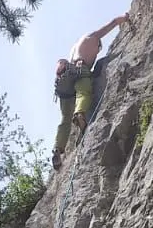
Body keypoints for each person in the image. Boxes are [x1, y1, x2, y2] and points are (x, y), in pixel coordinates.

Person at [52, 13, 130, 170]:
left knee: (65, 118)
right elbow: (112, 23)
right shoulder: (93, 37)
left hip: (63, 82)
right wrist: (125, 18)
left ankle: (57, 149)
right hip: (80, 70)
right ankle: (80, 114)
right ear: (98, 44)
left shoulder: (74, 48)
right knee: (83, 94)